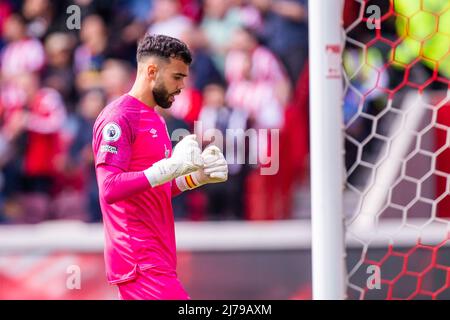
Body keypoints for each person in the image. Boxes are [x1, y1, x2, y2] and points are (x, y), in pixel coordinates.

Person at [92, 34, 228, 300]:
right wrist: (169, 168)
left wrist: (193, 178)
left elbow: (152, 187)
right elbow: (109, 188)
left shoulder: (156, 119)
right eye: (177, 77)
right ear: (152, 71)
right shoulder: (119, 117)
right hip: (140, 260)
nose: (181, 87)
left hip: (157, 260)